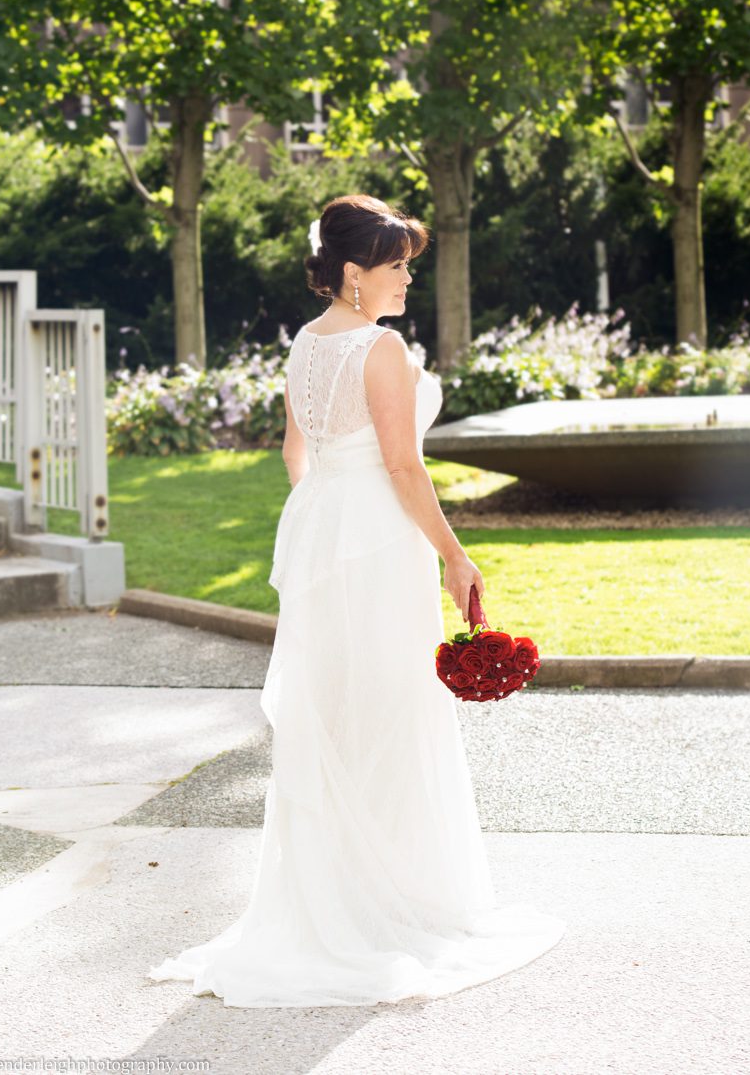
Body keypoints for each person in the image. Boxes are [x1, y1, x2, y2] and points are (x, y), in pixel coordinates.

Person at [147, 193, 566, 1006]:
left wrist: (325, 522)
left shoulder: (306, 345)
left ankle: (335, 896)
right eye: (397, 264)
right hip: (378, 539)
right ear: (352, 274)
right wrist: (453, 553)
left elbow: (296, 450)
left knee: (336, 712)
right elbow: (405, 468)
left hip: (326, 535)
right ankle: (393, 902)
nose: (409, 277)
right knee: (392, 709)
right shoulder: (380, 349)